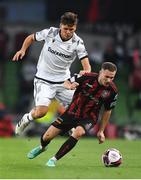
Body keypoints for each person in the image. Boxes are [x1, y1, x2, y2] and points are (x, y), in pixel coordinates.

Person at [12, 12, 91, 135]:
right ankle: (26, 118)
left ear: (75, 28)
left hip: (64, 82)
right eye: (65, 29)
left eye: (71, 29)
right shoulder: (50, 33)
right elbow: (31, 37)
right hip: (44, 80)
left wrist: (79, 77)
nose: (68, 32)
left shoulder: (78, 43)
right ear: (60, 26)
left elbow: (87, 67)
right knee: (41, 112)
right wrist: (23, 50)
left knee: (80, 104)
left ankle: (68, 125)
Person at [27, 62, 118, 167]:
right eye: (106, 76)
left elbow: (108, 110)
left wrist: (101, 131)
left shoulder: (112, 91)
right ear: (100, 72)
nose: (109, 80)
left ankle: (53, 159)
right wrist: (70, 86)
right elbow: (66, 82)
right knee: (47, 137)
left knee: (78, 133)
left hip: (89, 117)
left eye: (112, 78)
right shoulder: (86, 77)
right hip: (71, 112)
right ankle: (42, 148)